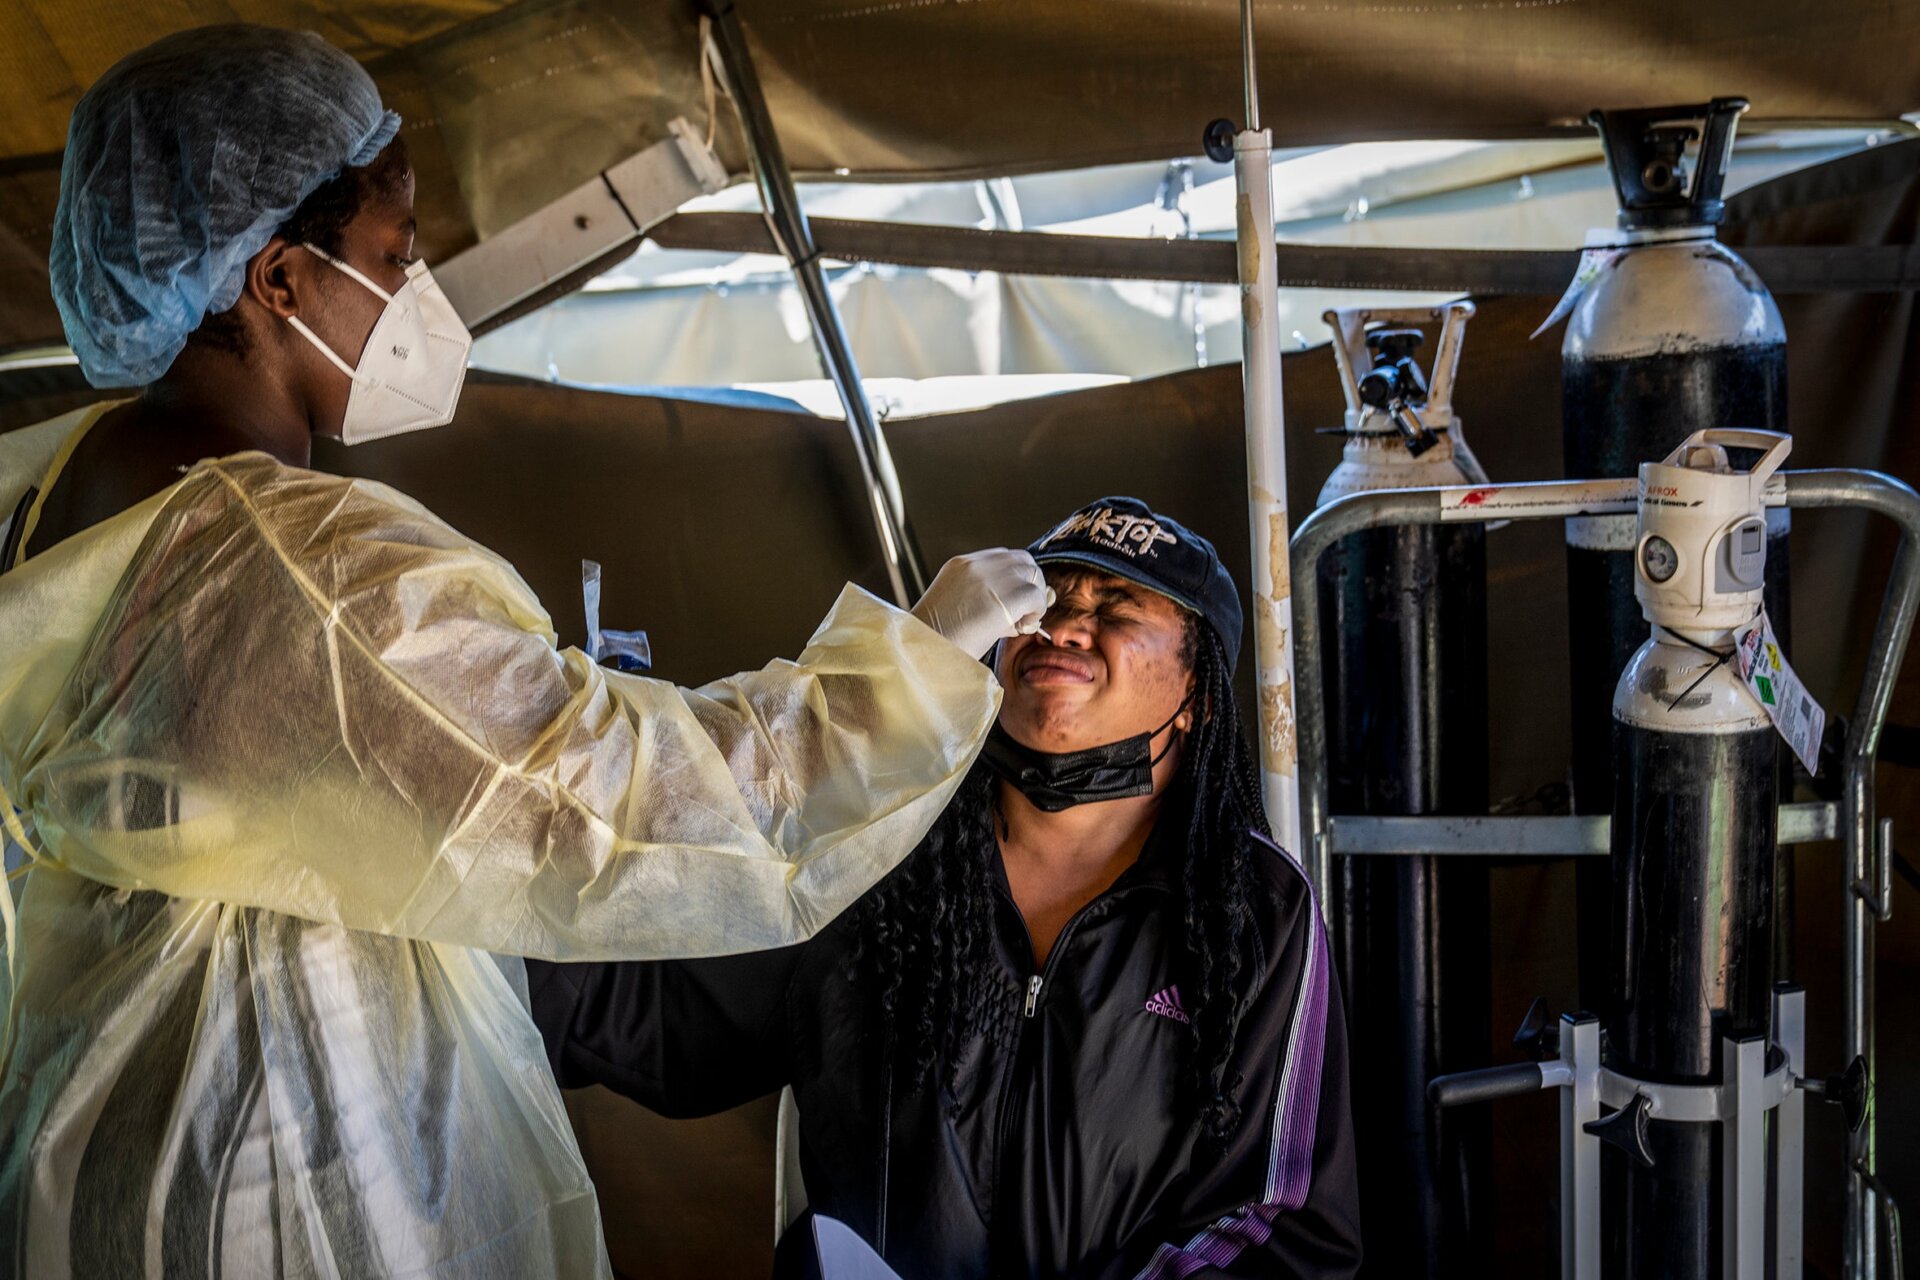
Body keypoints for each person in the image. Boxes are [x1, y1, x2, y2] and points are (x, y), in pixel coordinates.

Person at [0, 24, 1050, 1279]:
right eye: (393, 254)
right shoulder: (299, 567)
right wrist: (910, 675)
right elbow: (598, 800)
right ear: (276, 281)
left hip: (96, 1109)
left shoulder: (56, 489)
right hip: (278, 1148)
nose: (417, 287)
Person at [533, 497, 1363, 1279]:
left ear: (1197, 698)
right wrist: (539, 836)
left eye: (1115, 607)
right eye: (1045, 598)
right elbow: (659, 1015)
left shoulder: (1254, 906)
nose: (1066, 622)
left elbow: (1281, 1226)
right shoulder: (883, 845)